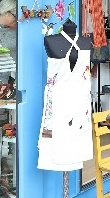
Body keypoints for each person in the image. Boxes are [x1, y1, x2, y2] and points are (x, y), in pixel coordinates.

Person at [38, 19, 94, 171]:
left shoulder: (86, 42)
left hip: (80, 99)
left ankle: (72, 158)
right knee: (59, 134)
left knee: (77, 132)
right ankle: (59, 159)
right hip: (60, 99)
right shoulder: (51, 41)